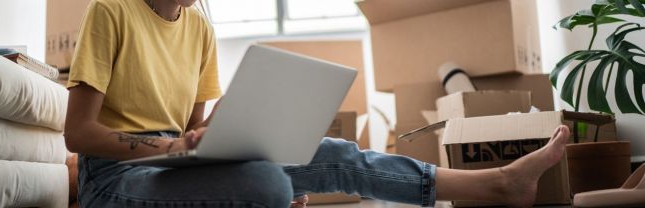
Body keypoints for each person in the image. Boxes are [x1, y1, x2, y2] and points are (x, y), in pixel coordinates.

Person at [63, 0, 571, 207]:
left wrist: (214, 140)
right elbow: (78, 133)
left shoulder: (198, 27)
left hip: (170, 167)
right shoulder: (111, 10)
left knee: (333, 153)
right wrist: (176, 145)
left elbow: (193, 131)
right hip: (111, 181)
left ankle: (501, 184)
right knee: (265, 184)